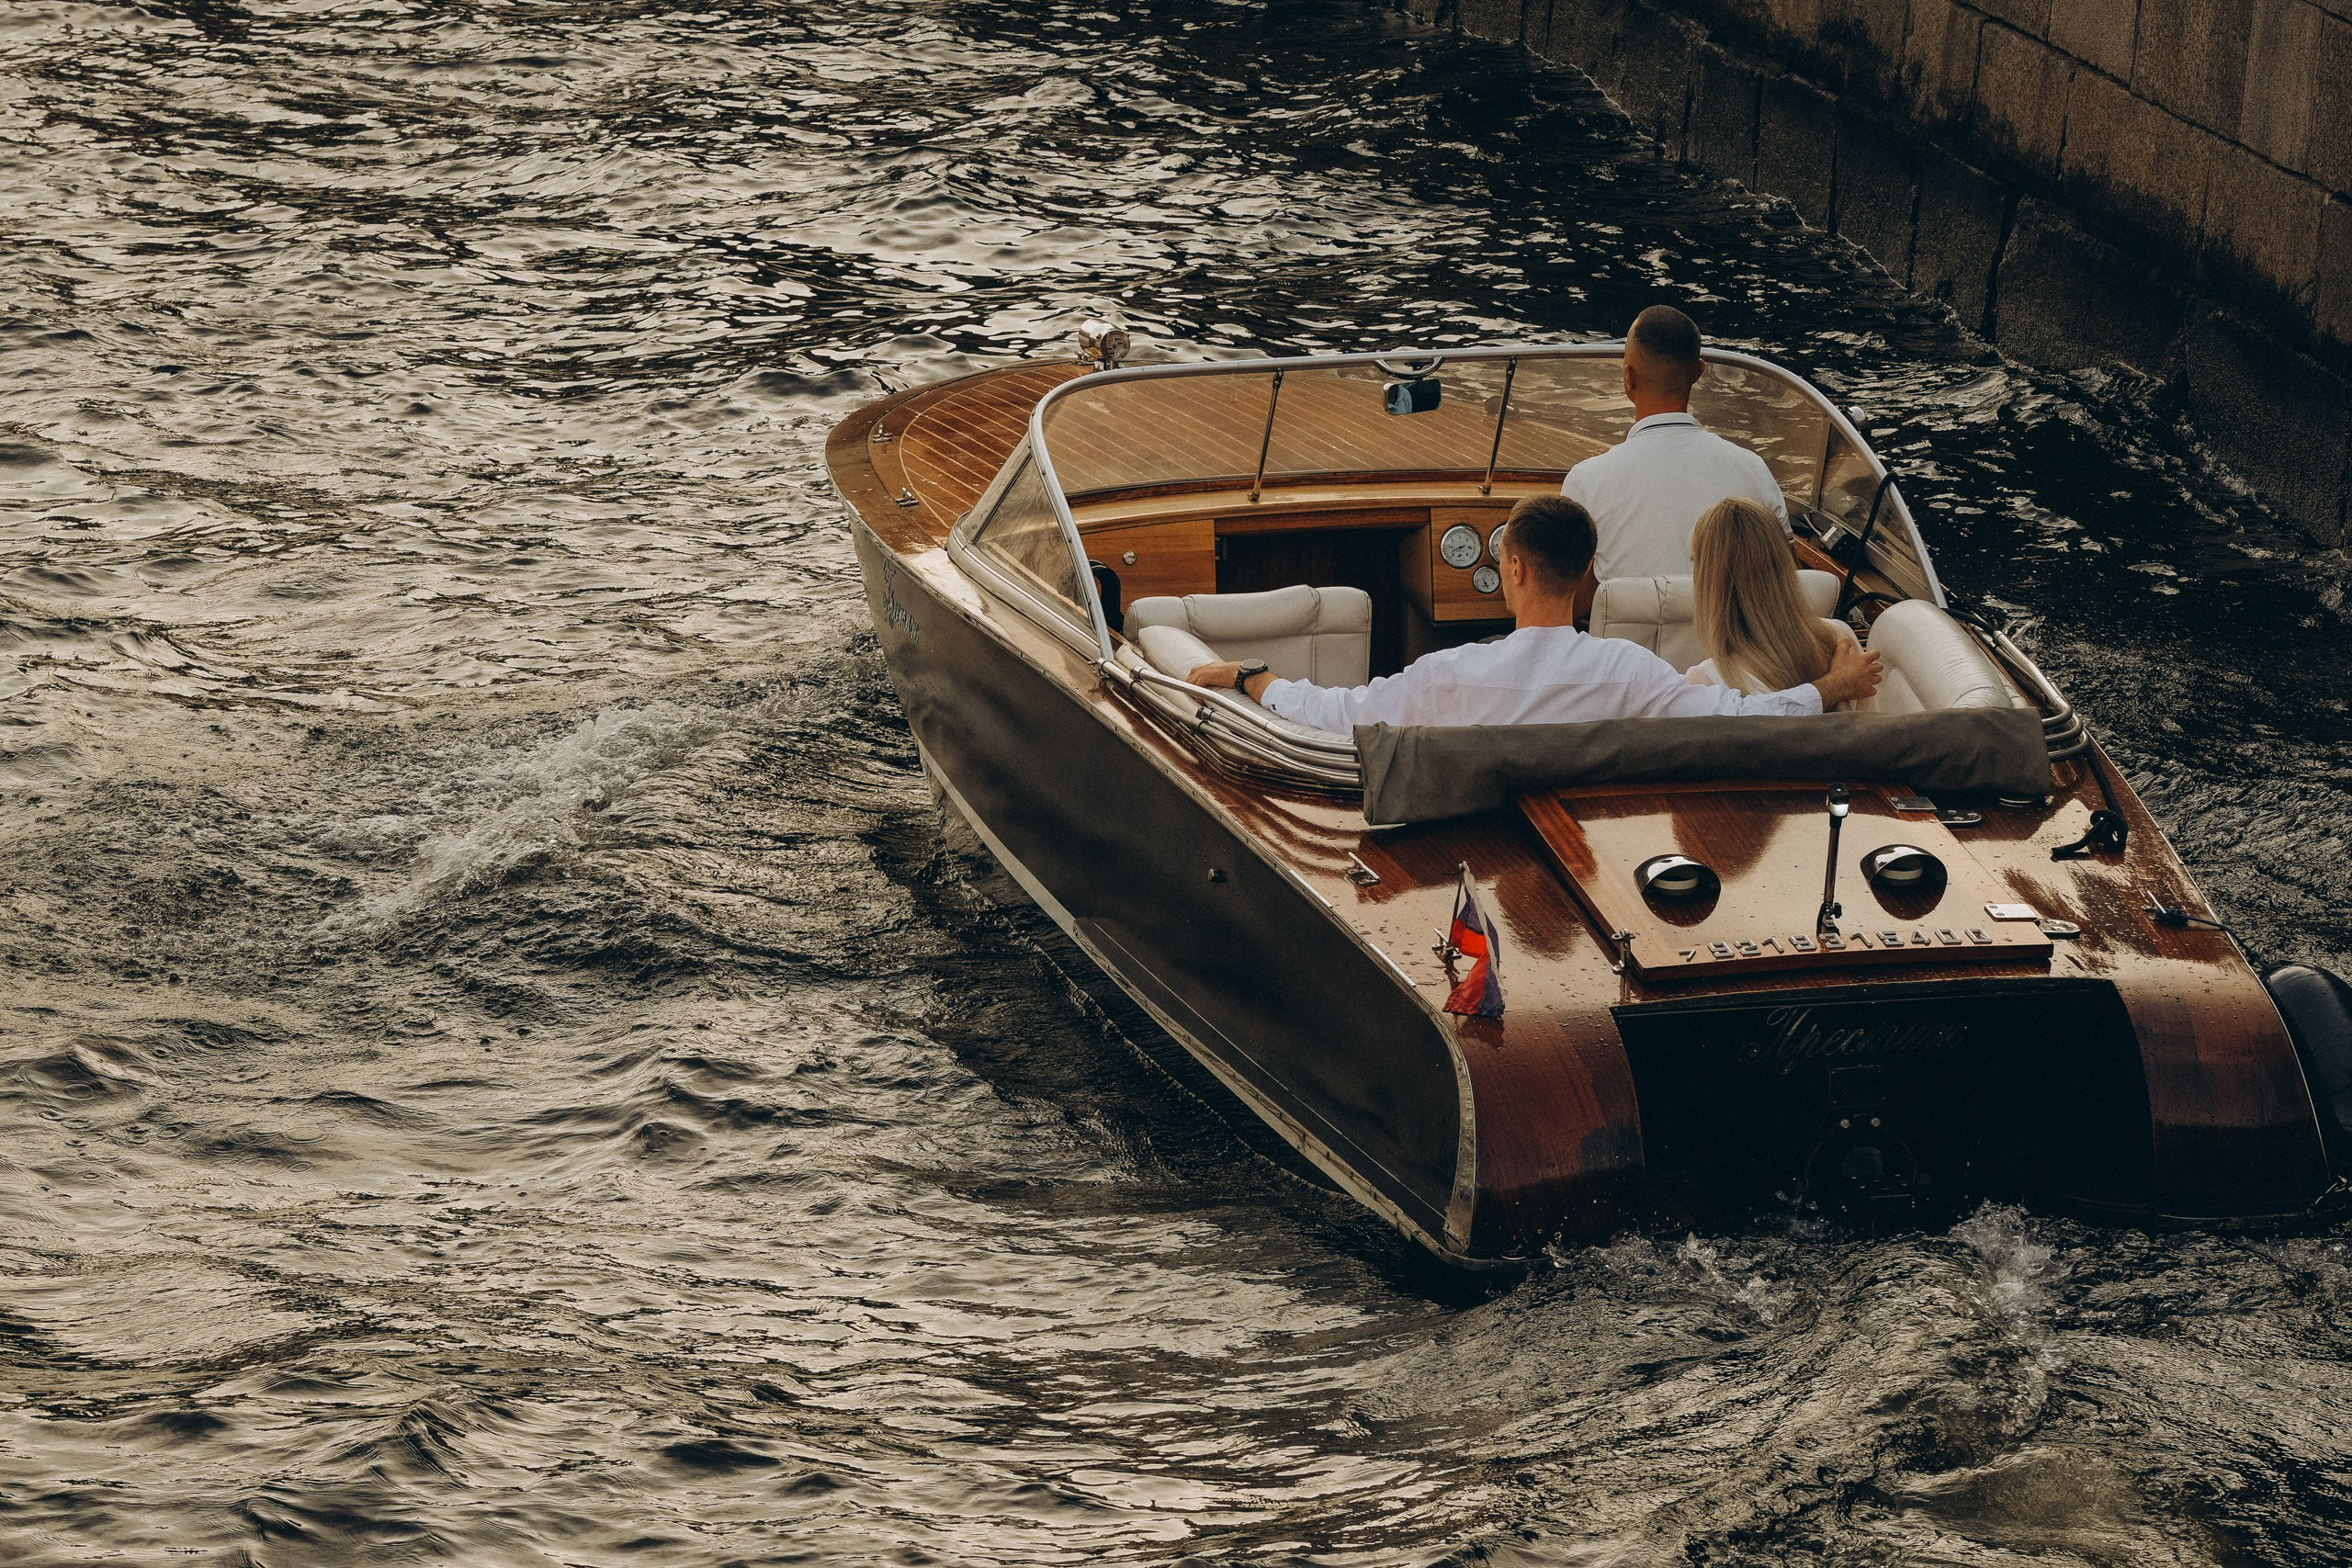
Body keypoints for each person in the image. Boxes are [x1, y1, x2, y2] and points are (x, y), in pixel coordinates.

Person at [1183, 494, 1881, 735]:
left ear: (1512, 569)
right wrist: (1829, 689)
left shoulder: (1449, 675)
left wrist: (1255, 677)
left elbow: (1336, 715)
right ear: (1585, 577)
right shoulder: (1632, 674)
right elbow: (1743, 723)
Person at [1561, 304, 1788, 615]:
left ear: (1628, 378)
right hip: (1729, 660)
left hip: (1625, 663)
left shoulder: (1585, 481)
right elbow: (1786, 579)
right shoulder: (1754, 470)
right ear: (1698, 372)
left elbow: (1568, 603)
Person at [1683, 496, 1871, 712]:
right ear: (1783, 563)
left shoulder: (1704, 683)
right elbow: (1869, 731)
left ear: (1709, 583)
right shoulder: (1839, 638)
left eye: (1695, 561)